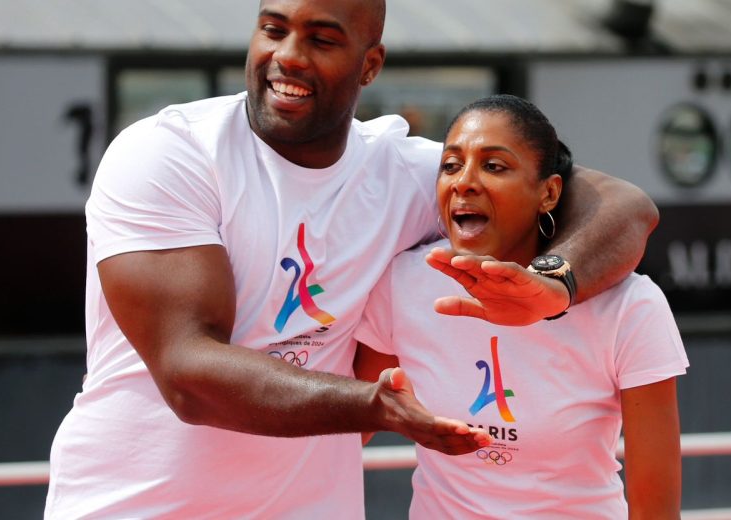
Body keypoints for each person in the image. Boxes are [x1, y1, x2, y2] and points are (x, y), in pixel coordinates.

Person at [45, 0, 660, 517]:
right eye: (273, 28)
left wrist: (554, 282)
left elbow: (623, 205)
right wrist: (374, 405)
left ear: (370, 64)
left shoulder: (408, 174)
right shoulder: (168, 155)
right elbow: (188, 374)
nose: (288, 55)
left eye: (322, 39)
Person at [354, 94, 688, 519]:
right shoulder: (403, 283)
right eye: (451, 165)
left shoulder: (630, 306)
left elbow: (654, 509)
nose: (464, 182)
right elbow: (348, 428)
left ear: (548, 193)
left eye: (494, 166)